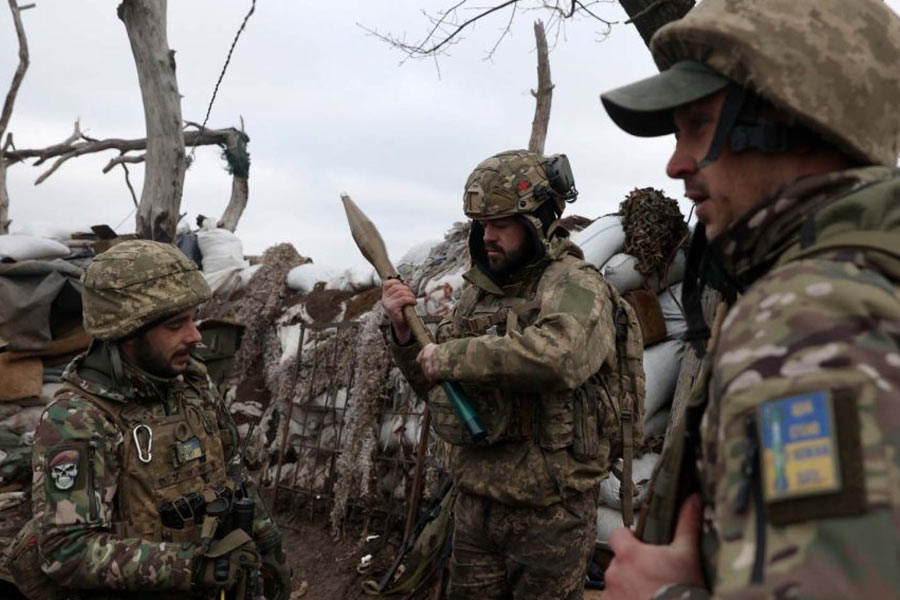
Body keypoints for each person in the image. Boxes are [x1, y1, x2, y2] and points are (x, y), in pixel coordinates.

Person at [598, 0, 900, 598]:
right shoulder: (871, 279)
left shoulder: (812, 318)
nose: (676, 163)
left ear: (792, 117)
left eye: (700, 127)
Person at [382, 149, 644, 600]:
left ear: (537, 221)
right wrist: (406, 338)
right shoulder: (475, 297)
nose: (489, 236)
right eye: (482, 225)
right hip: (475, 504)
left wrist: (452, 356)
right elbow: (434, 387)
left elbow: (560, 357)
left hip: (550, 514)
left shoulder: (575, 284)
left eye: (501, 223)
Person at [7, 240, 291, 599]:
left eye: (192, 318)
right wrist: (194, 565)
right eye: (176, 325)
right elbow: (67, 551)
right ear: (126, 332)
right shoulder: (80, 419)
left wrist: (270, 549)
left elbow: (234, 475)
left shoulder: (192, 384)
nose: (195, 335)